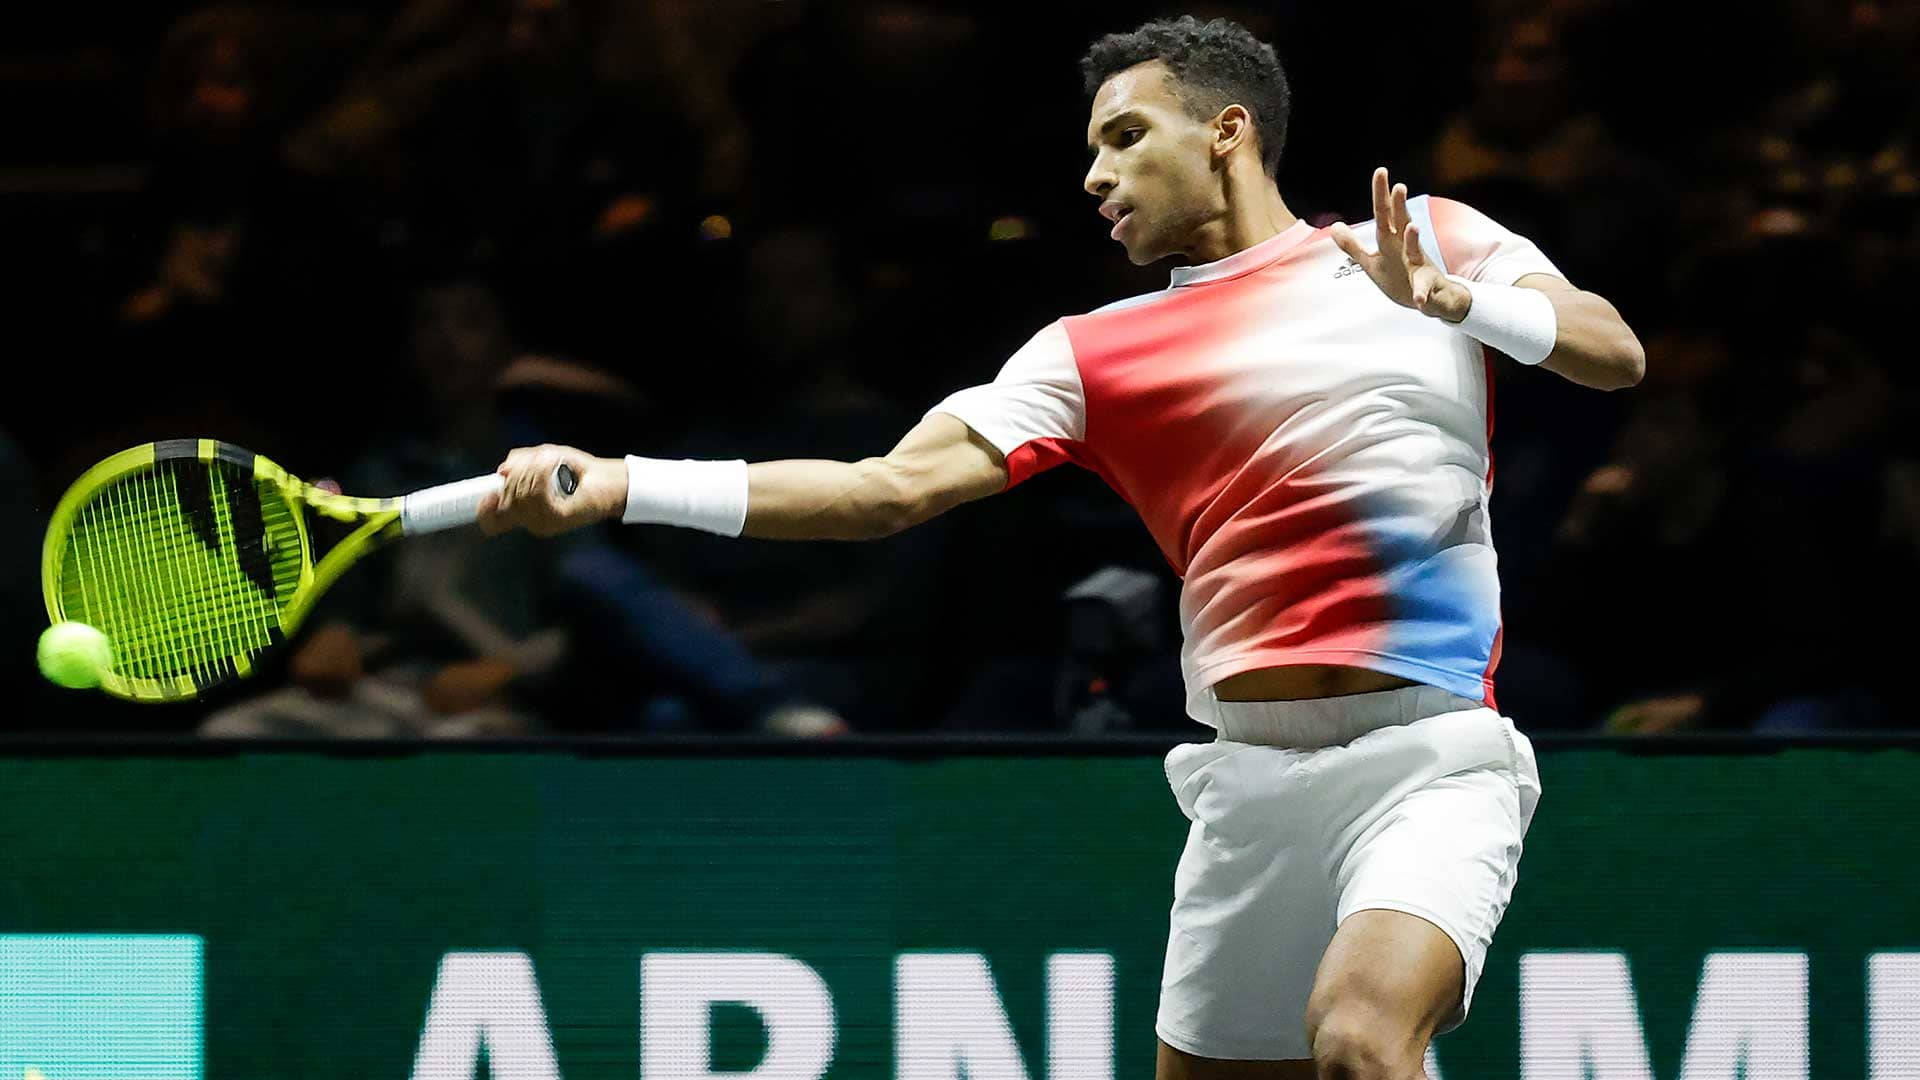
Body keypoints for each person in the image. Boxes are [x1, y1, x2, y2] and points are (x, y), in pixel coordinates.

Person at [477, 15, 1644, 1080]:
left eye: (1126, 137)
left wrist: (1459, 303)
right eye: (1091, 148)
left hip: (1427, 758)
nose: (1094, 176)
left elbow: (1614, 351)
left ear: (1228, 132)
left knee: (1357, 1035)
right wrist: (624, 482)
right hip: (1246, 780)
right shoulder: (1092, 352)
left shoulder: (1423, 237)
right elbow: (883, 489)